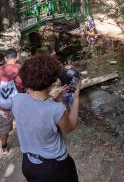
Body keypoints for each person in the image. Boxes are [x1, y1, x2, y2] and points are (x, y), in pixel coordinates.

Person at [12, 54, 80, 182]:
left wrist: (53, 98)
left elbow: (35, 111)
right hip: (55, 168)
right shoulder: (56, 109)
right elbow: (69, 127)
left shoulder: (17, 100)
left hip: (29, 164)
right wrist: (76, 98)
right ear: (53, 80)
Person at [0, 49, 23, 154]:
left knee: (4, 128)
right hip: (19, 104)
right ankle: (27, 143)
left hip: (3, 108)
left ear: (5, 59)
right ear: (16, 58)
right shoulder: (20, 69)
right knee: (23, 123)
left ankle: (4, 147)